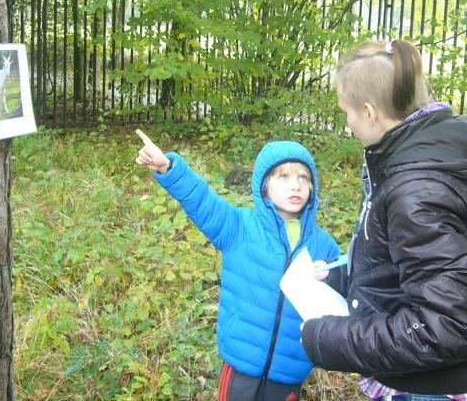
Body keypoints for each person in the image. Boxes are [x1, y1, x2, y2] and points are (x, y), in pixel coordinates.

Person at [301, 39, 467, 401]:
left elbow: (445, 326)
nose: (349, 123)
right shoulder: (413, 164)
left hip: (428, 389)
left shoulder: (416, 190)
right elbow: (415, 268)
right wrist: (345, 278)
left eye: (347, 112)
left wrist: (330, 337)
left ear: (369, 112)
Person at [136, 129, 340, 401]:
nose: (296, 185)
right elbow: (201, 201)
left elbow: (343, 296)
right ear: (264, 184)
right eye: (284, 176)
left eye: (304, 178)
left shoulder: (323, 246)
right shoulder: (240, 227)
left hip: (290, 374)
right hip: (240, 370)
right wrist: (167, 167)